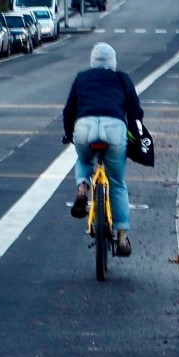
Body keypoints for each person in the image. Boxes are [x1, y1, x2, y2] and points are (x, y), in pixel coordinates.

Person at [63, 42, 143, 257]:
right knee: (116, 182)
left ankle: (82, 188)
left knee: (83, 160)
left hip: (85, 126)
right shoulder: (122, 79)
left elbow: (68, 111)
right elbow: (135, 111)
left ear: (92, 61)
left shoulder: (81, 78)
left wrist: (68, 134)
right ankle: (122, 237)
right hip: (114, 128)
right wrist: (135, 136)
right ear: (113, 61)